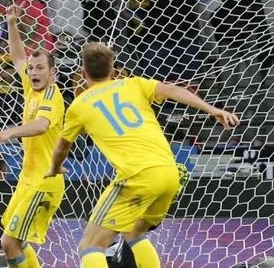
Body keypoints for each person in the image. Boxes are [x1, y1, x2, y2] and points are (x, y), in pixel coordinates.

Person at [45, 43, 239, 268]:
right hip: (169, 173)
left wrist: (54, 168)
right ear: (114, 72)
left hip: (137, 176)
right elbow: (171, 90)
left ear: (83, 73)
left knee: (90, 245)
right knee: (135, 233)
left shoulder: (78, 106)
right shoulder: (134, 84)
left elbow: (62, 148)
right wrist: (212, 109)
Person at [0, 4, 65, 268]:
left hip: (44, 181)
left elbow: (41, 125)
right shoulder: (31, 88)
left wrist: (8, 133)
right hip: (27, 180)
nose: (33, 72)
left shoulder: (52, 96)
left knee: (9, 243)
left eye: (40, 68)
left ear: (52, 72)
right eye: (32, 69)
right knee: (15, 240)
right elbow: (19, 57)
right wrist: (11, 24)